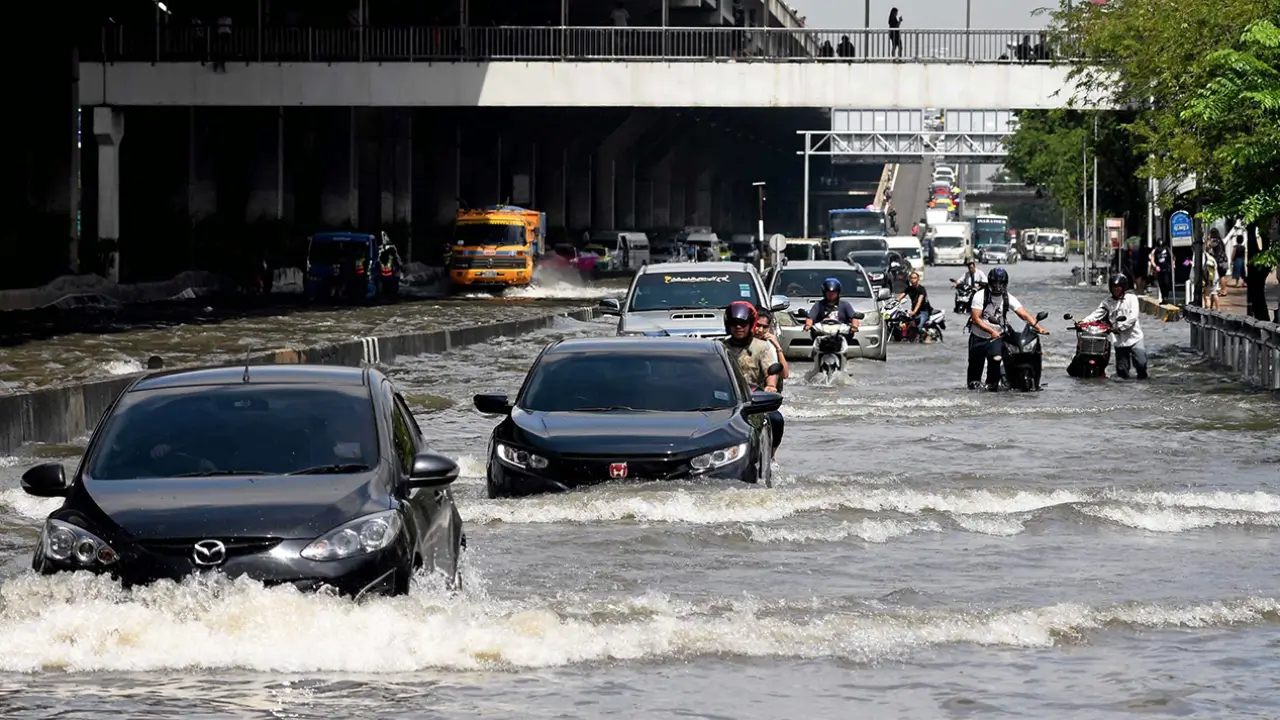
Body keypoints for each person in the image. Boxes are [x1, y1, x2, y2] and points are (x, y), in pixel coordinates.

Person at [967, 268, 1048, 391]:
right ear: (990, 282)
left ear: (1005, 284)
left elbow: (1023, 314)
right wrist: (991, 331)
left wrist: (1038, 327)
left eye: (1001, 284)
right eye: (995, 283)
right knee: (974, 375)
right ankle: (973, 396)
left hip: (997, 338)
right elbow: (976, 319)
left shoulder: (1007, 297)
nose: (998, 286)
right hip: (978, 338)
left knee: (995, 360)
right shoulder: (979, 296)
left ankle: (992, 389)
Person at [719, 301, 783, 450]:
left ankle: (771, 455)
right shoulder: (721, 347)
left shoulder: (762, 347)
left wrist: (771, 386)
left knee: (776, 419)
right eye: (734, 324)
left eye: (743, 324)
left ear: (750, 324)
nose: (738, 327)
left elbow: (770, 371)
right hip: (725, 399)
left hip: (754, 398)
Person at [1077, 273, 1148, 379]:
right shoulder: (1107, 302)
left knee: (1141, 364)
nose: (1116, 289)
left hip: (1134, 338)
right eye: (1114, 287)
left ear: (1123, 287)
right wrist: (1083, 322)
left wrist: (1120, 327)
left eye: (1118, 287)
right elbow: (1096, 314)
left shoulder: (1132, 299)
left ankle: (1142, 386)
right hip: (1119, 341)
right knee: (1122, 371)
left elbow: (1133, 317)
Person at [754, 310, 790, 392]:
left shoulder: (770, 345)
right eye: (757, 325)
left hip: (767, 391)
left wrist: (778, 347)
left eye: (764, 327)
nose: (760, 330)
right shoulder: (740, 344)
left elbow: (785, 374)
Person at [896, 271, 933, 342]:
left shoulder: (922, 289)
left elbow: (919, 302)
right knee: (904, 325)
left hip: (923, 311)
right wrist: (892, 303)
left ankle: (928, 335)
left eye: (915, 278)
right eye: (912, 278)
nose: (913, 280)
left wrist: (914, 311)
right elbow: (900, 297)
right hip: (913, 311)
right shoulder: (909, 288)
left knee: (919, 327)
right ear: (910, 279)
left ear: (918, 279)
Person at [1150, 238, 1173, 303]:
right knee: (1161, 284)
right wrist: (1155, 266)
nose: (1160, 249)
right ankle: (1163, 297)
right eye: (1159, 247)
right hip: (1159, 269)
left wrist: (1172, 264)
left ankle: (1166, 296)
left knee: (1166, 283)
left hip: (1166, 269)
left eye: (1161, 247)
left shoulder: (1167, 250)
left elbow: (1172, 257)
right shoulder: (1155, 251)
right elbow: (1152, 260)